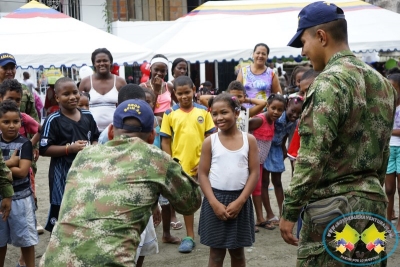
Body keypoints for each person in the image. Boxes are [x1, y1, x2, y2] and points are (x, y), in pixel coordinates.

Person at [280, 2, 396, 266]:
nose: (303, 52)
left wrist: (290, 211)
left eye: (303, 41)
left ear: (321, 36)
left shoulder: (329, 82)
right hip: (371, 206)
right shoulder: (382, 84)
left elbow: (311, 158)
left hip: (334, 210)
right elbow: (383, 150)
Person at [39, 99, 202, 266]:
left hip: (54, 261)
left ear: (110, 131)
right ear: (152, 136)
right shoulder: (155, 158)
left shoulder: (84, 155)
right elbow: (191, 204)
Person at [198, 93, 259, 267]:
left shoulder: (249, 140)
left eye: (224, 112)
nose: (219, 118)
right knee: (216, 254)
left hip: (240, 201)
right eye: (214, 114)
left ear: (236, 113)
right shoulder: (210, 141)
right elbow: (202, 174)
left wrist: (241, 201)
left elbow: (254, 173)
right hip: (215, 200)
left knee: (238, 253)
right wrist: (213, 203)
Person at [160, 76, 216, 253]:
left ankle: (212, 232)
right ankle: (189, 236)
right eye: (180, 93)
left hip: (203, 166)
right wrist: (171, 164)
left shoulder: (204, 112)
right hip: (181, 167)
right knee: (187, 202)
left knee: (210, 198)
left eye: (187, 92)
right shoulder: (169, 114)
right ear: (174, 94)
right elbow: (166, 141)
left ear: (194, 90)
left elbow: (210, 138)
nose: (184, 96)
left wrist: (204, 163)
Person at [39, 77, 99, 233]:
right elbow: (43, 149)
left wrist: (93, 148)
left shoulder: (88, 116)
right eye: (66, 94)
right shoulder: (53, 120)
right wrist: (69, 149)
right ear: (57, 98)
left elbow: (95, 138)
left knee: (85, 207)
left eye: (75, 92)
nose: (72, 97)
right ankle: (58, 243)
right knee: (62, 210)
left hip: (85, 171)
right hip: (61, 173)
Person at [0, 100, 38, 267]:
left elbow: (23, 171)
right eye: (6, 122)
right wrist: (10, 162)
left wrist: (2, 165)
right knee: (0, 241)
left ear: (21, 122)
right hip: (1, 197)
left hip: (21, 199)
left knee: (26, 240)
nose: (11, 126)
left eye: (15, 121)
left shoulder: (25, 143)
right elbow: (16, 167)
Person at [248, 93, 286, 231]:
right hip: (250, 161)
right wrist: (250, 147)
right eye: (273, 108)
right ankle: (248, 221)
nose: (276, 112)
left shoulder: (273, 122)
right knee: (247, 189)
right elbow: (242, 128)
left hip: (260, 162)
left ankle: (260, 218)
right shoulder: (260, 120)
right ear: (267, 106)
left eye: (280, 109)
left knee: (257, 189)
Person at [262, 96, 302, 226]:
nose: (295, 115)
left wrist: (284, 147)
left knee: (277, 182)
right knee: (264, 182)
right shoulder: (277, 116)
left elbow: (286, 134)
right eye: (292, 112)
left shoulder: (293, 122)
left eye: (298, 113)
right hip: (265, 146)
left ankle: (282, 213)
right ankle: (269, 214)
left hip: (277, 149)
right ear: (286, 107)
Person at [79, 48, 127, 132]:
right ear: (94, 63)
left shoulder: (120, 82)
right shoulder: (85, 82)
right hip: (91, 130)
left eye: (105, 60)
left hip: (115, 130)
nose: (102, 63)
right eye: (98, 61)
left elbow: (127, 106)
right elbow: (78, 106)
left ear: (110, 62)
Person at [200, 81, 267, 132]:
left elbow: (263, 103)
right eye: (233, 96)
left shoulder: (246, 112)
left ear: (244, 97)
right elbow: (202, 98)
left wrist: (245, 100)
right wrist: (224, 97)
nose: (236, 99)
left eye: (239, 96)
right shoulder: (220, 109)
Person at [385, 73, 400, 235]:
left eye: (394, 88)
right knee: (388, 189)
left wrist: (388, 131)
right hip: (389, 149)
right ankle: (387, 221)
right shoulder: (385, 106)